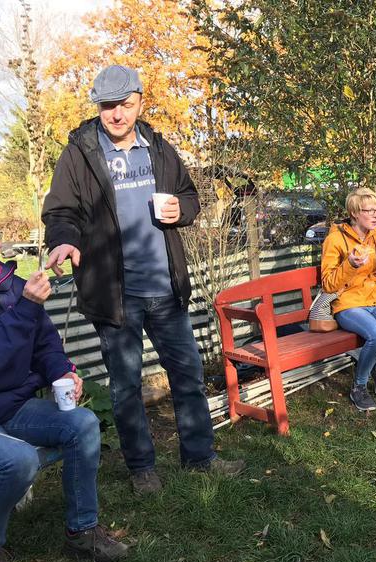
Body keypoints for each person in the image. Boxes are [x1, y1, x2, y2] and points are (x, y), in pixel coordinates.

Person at [42, 65, 243, 494]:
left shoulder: (158, 147)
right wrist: (63, 240)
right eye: (108, 106)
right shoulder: (80, 154)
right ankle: (141, 468)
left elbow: (189, 195)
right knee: (126, 386)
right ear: (98, 106)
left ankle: (200, 457)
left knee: (188, 375)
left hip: (165, 287)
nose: (117, 114)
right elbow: (60, 211)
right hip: (115, 294)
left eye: (126, 105)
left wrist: (182, 211)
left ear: (139, 102)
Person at [0, 203, 128, 562]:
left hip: (11, 406)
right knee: (17, 459)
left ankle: (82, 530)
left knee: (83, 424)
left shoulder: (10, 285)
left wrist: (63, 372)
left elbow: (45, 343)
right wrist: (25, 307)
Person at [320, 187, 376, 411]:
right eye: (369, 210)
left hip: (375, 298)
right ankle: (359, 386)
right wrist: (350, 265)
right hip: (347, 303)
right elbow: (328, 284)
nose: (375, 215)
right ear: (354, 213)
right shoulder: (335, 239)